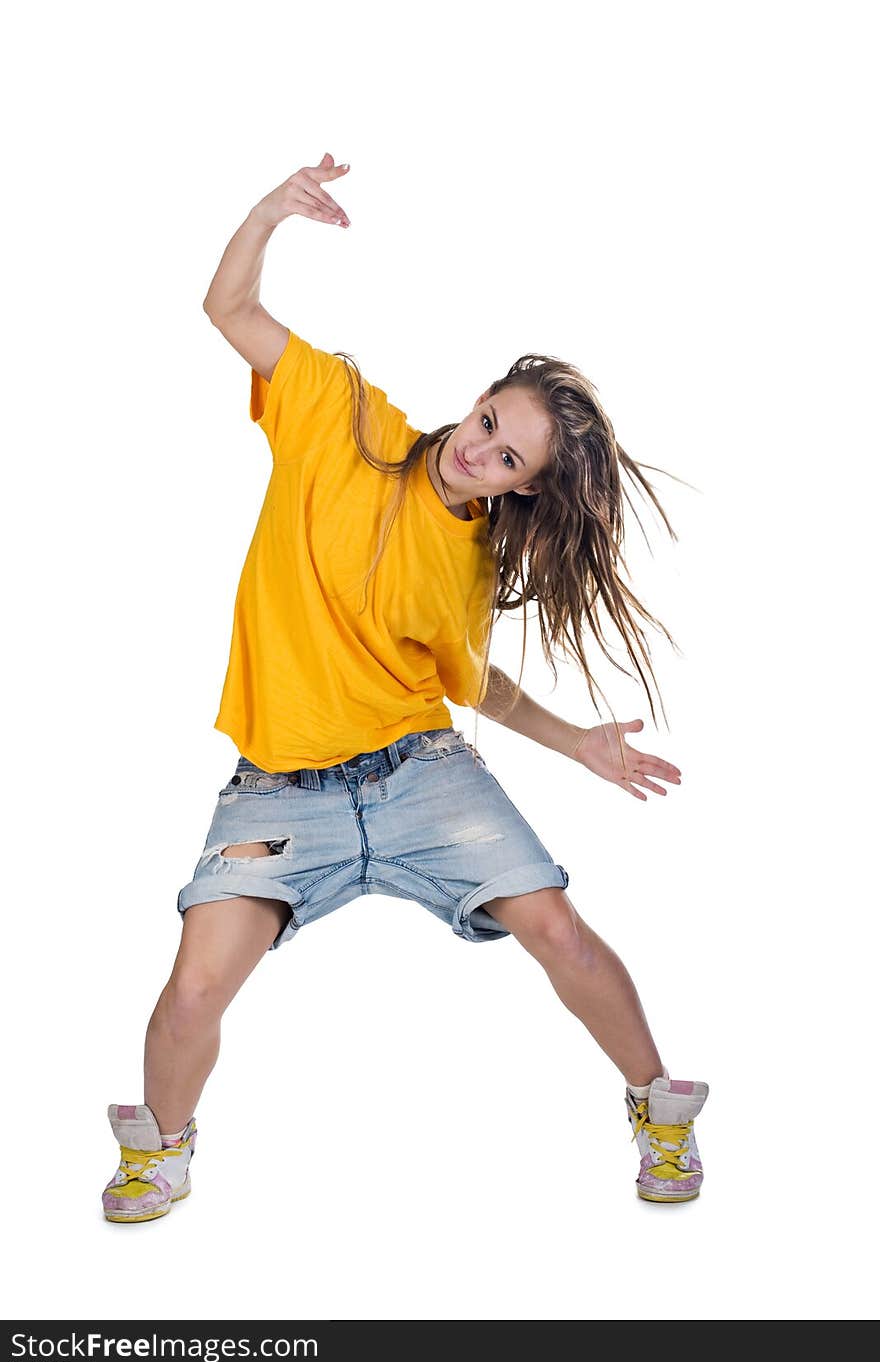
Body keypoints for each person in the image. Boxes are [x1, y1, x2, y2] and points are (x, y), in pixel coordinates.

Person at [101, 152, 709, 1223]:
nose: (482, 454)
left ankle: (659, 1111)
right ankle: (162, 1151)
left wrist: (579, 743)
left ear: (521, 487)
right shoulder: (339, 411)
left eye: (510, 461)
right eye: (490, 425)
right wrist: (267, 212)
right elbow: (226, 304)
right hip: (276, 787)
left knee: (559, 930)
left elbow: (471, 684)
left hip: (420, 774)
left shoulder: (469, 558)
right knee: (192, 988)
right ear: (475, 403)